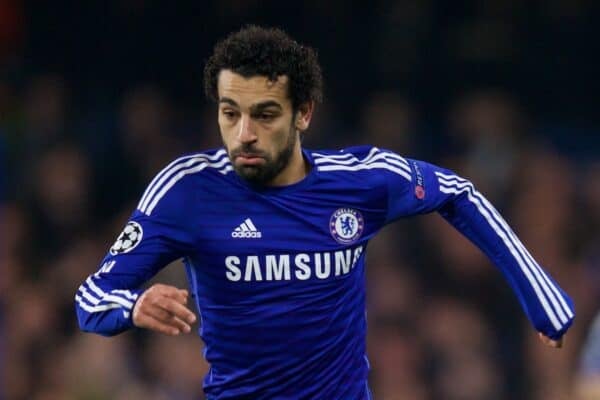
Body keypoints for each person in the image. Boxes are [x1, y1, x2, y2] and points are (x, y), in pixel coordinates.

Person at [75, 25, 575, 399]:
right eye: (230, 112)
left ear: (304, 113)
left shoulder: (360, 180)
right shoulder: (187, 191)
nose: (244, 133)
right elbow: (91, 297)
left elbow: (457, 192)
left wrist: (540, 295)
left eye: (265, 114)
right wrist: (132, 307)